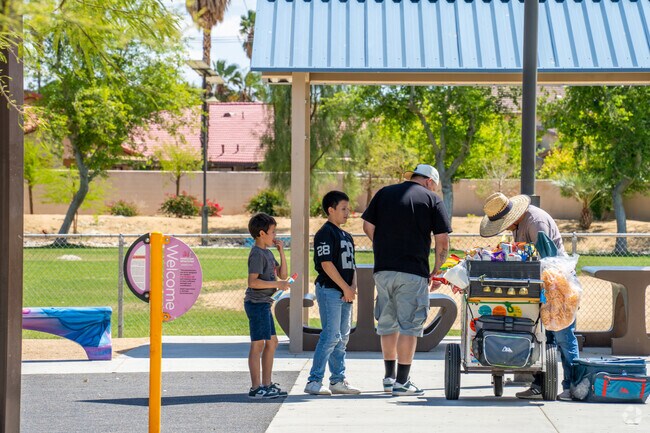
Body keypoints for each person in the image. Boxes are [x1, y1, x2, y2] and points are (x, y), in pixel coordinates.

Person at [362, 164, 452, 396]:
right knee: (410, 326)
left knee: (387, 324)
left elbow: (367, 225)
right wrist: (438, 270)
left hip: (383, 270)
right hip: (413, 271)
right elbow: (442, 241)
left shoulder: (384, 193)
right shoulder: (432, 199)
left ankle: (389, 378)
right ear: (430, 182)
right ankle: (403, 382)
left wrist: (384, 245)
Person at [479, 192, 579, 401]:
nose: (505, 228)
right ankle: (540, 385)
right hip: (540, 284)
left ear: (514, 217)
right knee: (542, 336)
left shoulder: (535, 222)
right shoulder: (520, 224)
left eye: (505, 223)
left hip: (556, 285)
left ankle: (573, 386)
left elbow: (547, 258)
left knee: (563, 337)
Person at [304, 191, 361, 395]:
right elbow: (326, 264)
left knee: (343, 338)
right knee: (330, 336)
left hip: (346, 293)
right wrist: (344, 288)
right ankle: (314, 381)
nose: (347, 213)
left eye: (348, 209)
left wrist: (352, 288)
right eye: (343, 209)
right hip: (330, 291)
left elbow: (352, 265)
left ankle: (337, 380)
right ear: (331, 210)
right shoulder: (325, 233)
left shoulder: (347, 236)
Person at [244, 212, 290, 399]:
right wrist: (276, 285)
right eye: (272, 232)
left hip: (265, 304)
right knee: (258, 345)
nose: (275, 236)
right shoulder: (256, 254)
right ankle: (256, 388)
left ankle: (267, 384)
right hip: (256, 304)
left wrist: (281, 251)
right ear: (262, 234)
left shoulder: (268, 253)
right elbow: (252, 282)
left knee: (272, 342)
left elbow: (283, 276)